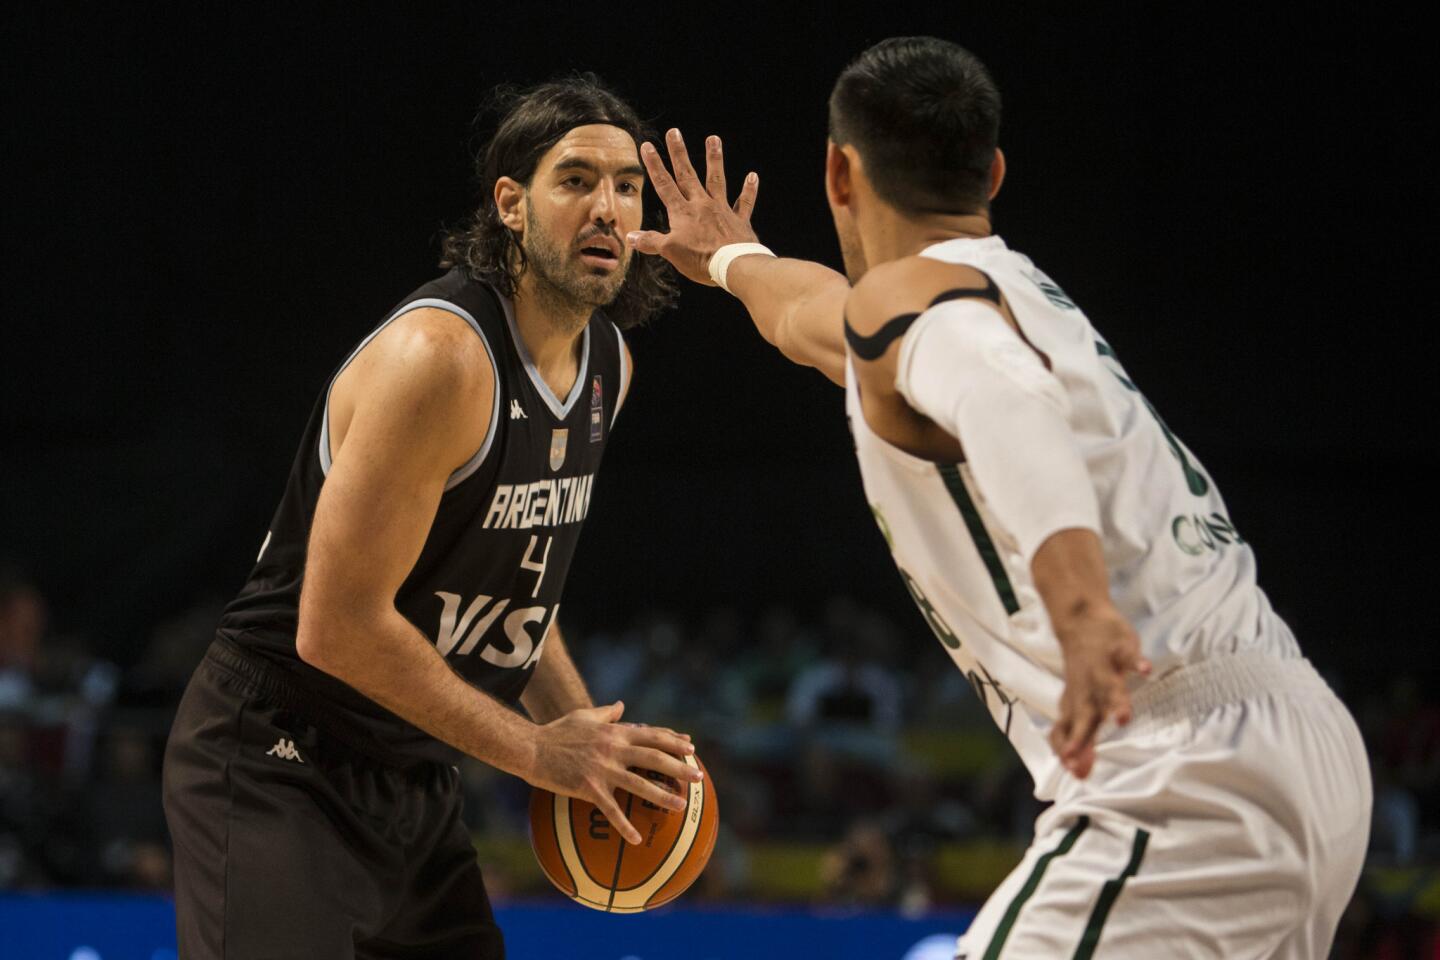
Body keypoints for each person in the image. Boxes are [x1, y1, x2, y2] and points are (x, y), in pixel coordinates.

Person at [630, 37, 1371, 959]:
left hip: (1177, 769)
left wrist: (1081, 605)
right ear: (994, 173)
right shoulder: (1000, 296)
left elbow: (1006, 406)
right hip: (1297, 734)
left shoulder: (931, 314)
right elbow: (804, 313)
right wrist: (733, 257)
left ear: (838, 171)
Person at [162, 75, 701, 959]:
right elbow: (334, 628)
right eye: (575, 180)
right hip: (277, 754)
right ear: (512, 205)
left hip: (412, 772)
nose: (607, 207)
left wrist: (594, 753)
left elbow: (517, 592)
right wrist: (539, 755)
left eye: (626, 186)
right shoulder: (439, 359)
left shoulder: (609, 365)